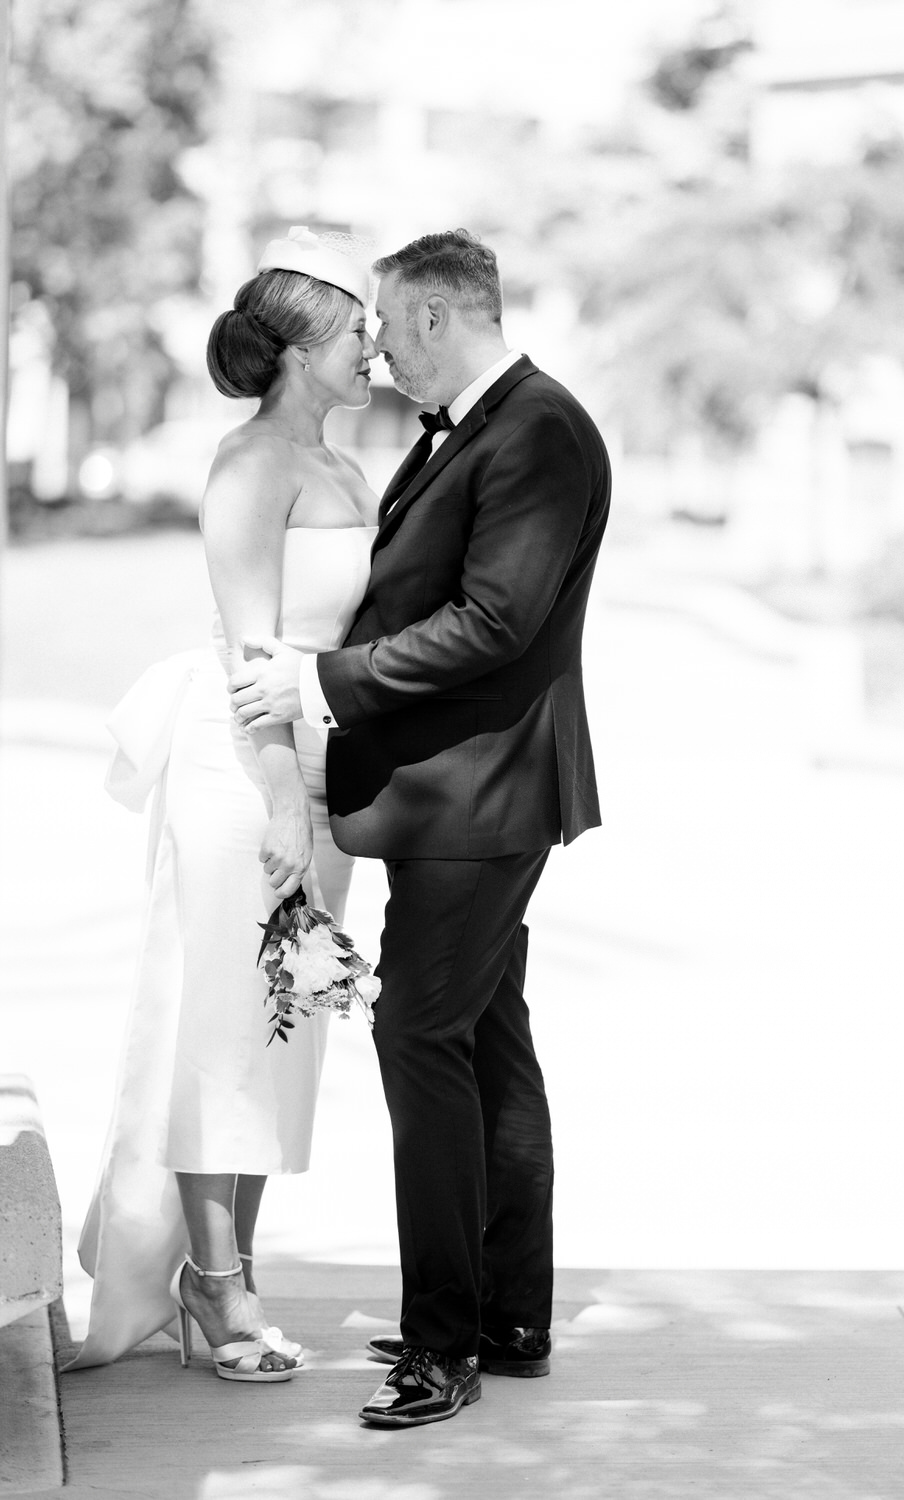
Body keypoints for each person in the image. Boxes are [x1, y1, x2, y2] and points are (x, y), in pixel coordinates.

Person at [229, 228, 612, 1424]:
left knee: (418, 1038)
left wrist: (318, 684)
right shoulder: (487, 428)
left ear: (440, 317)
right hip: (460, 794)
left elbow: (494, 622)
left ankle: (444, 1347)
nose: (381, 352)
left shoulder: (538, 430)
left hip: (484, 797)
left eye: (389, 327)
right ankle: (507, 1318)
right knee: (488, 1044)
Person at [65, 227, 379, 1382]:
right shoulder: (253, 466)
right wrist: (288, 800)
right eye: (358, 331)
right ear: (301, 344)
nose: (374, 349)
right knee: (225, 1028)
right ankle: (215, 1288)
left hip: (321, 768)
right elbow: (258, 650)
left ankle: (231, 1268)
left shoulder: (344, 466)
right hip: (246, 767)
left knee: (283, 1027)